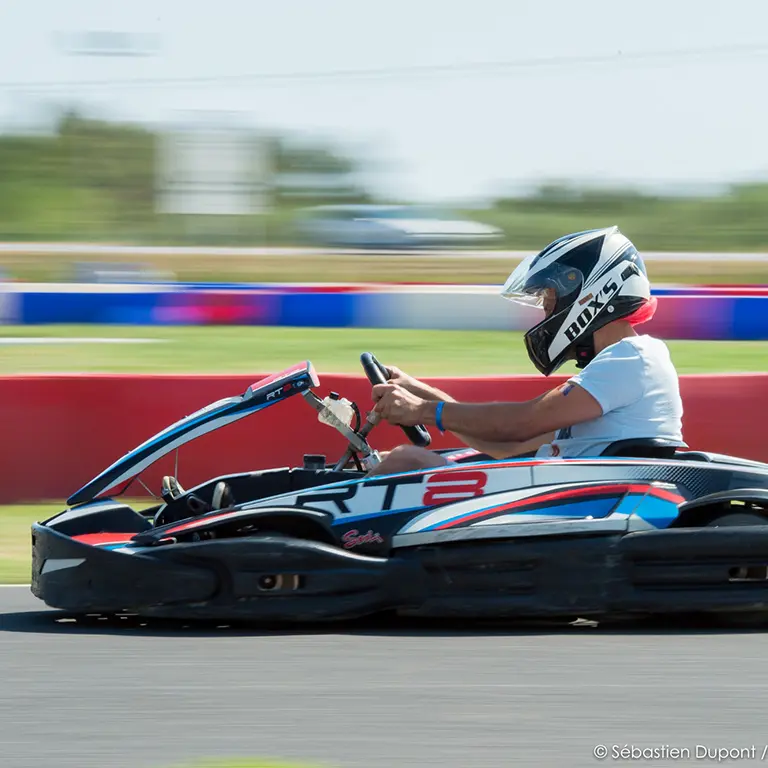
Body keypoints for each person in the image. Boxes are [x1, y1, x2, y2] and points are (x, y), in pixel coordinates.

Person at [367, 226, 684, 476]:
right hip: (560, 497)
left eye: (550, 299)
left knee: (406, 462)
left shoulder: (633, 357)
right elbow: (505, 445)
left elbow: (518, 425)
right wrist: (419, 392)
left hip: (567, 507)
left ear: (593, 293)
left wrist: (421, 410)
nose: (546, 312)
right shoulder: (615, 371)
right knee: (393, 461)